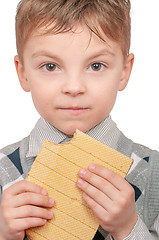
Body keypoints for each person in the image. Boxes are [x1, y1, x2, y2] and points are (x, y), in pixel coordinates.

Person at [0, 0, 158, 239]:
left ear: (125, 71)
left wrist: (129, 228)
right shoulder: (3, 170)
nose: (74, 87)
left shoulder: (154, 172)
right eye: (50, 66)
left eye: (96, 65)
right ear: (23, 73)